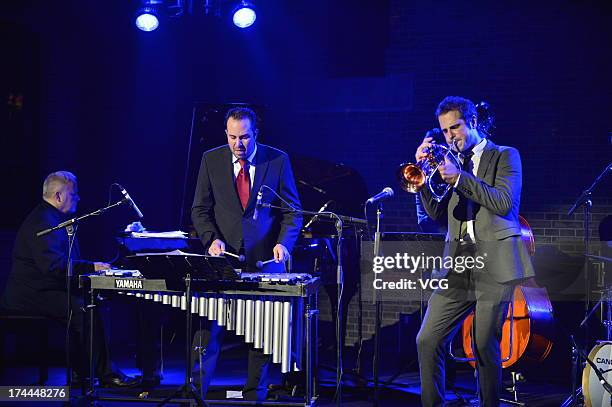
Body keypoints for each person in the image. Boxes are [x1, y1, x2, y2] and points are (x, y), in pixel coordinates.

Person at [414, 96, 534, 406]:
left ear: (473, 123)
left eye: (455, 127)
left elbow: (504, 203)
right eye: (444, 131)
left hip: (496, 264)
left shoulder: (505, 156)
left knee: (483, 344)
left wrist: (459, 178)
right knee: (427, 340)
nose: (450, 135)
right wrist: (422, 185)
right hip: (457, 264)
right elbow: (440, 217)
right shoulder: (454, 163)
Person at [191, 107, 302, 400]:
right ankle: (195, 396)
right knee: (208, 333)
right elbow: (199, 210)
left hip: (262, 261)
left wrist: (284, 244)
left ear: (256, 135)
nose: (238, 144)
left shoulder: (277, 160)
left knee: (260, 336)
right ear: (226, 134)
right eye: (232, 137)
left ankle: (255, 396)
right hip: (221, 262)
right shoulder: (211, 159)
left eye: (245, 137)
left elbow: (293, 212)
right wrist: (210, 239)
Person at [0, 171, 139, 387]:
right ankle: (104, 373)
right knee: (84, 308)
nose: (78, 198)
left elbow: (64, 263)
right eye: (74, 194)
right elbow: (54, 267)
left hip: (45, 288)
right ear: (58, 196)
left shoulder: (53, 217)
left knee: (90, 303)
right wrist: (91, 267)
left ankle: (84, 371)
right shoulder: (44, 222)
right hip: (29, 295)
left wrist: (92, 267)